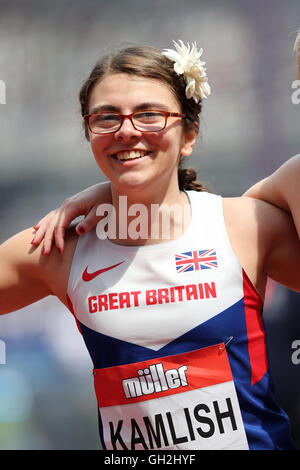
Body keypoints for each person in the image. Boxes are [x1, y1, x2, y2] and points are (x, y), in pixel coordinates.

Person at [1, 40, 300, 451]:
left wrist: (113, 193)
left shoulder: (248, 225)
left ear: (189, 134)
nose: (127, 129)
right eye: (106, 118)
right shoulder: (59, 247)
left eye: (149, 115)